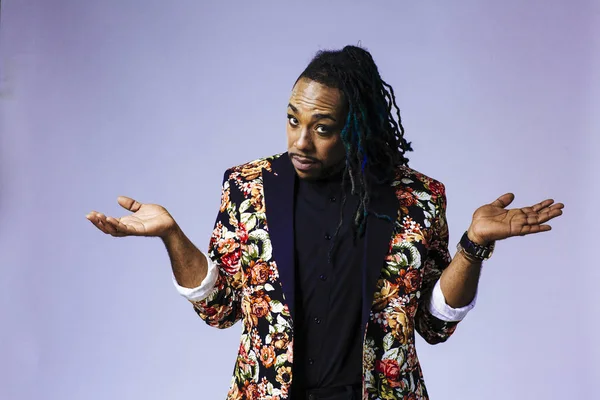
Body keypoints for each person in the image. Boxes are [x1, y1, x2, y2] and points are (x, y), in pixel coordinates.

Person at [86, 45, 564, 400]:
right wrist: (172, 235)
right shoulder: (248, 187)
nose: (300, 141)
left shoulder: (418, 197)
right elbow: (222, 311)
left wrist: (473, 245)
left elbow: (433, 325)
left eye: (322, 128)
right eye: (293, 120)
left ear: (358, 127)